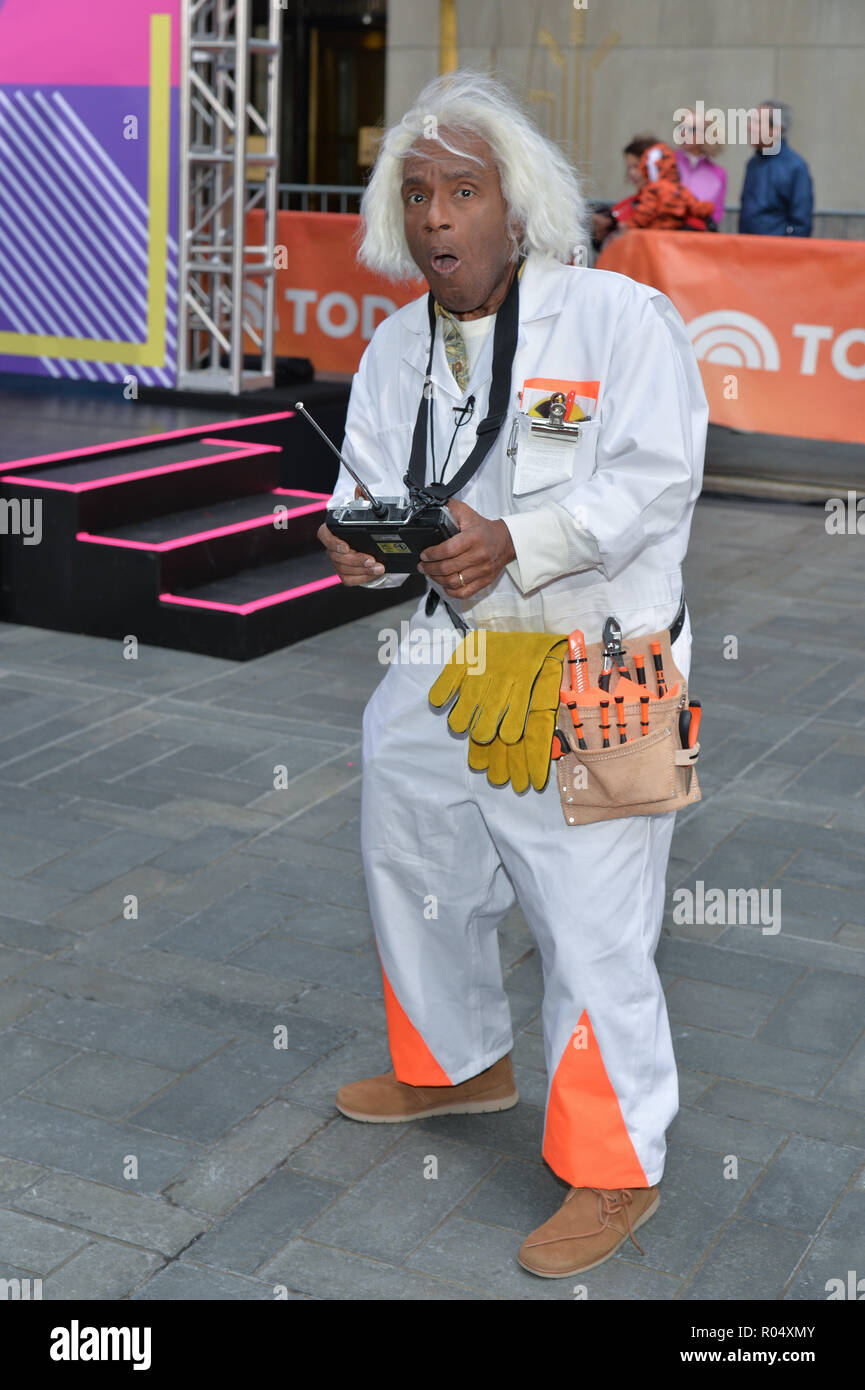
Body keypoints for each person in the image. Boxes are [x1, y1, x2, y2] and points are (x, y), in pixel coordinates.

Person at [316, 69, 708, 1279]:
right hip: (456, 644)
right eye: (417, 193)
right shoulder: (393, 348)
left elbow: (657, 477)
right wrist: (357, 550)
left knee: (592, 918)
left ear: (517, 201)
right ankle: (455, 1064)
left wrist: (521, 542)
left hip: (600, 652)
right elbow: (367, 492)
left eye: (464, 191)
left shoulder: (613, 320)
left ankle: (612, 1163)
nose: (437, 218)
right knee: (411, 831)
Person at [593, 139, 715, 252]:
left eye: (636, 166)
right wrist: (603, 230)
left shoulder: (685, 207)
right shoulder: (627, 205)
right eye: (629, 168)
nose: (632, 173)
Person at [739, 100, 813, 236]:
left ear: (776, 129)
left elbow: (801, 223)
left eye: (757, 122)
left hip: (778, 252)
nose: (750, 127)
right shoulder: (752, 164)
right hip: (748, 250)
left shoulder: (795, 167)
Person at [674, 107, 727, 227]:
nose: (683, 133)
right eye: (681, 128)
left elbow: (716, 214)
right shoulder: (667, 162)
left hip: (698, 237)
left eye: (692, 130)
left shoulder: (718, 174)